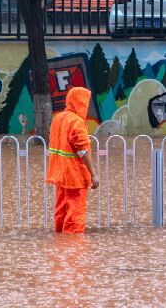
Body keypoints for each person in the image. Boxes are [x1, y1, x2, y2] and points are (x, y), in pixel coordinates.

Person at [46, 87, 99, 233]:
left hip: (59, 174)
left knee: (61, 210)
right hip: (75, 176)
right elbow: (82, 150)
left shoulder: (58, 118)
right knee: (75, 214)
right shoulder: (77, 122)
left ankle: (60, 245)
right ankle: (73, 249)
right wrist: (93, 174)